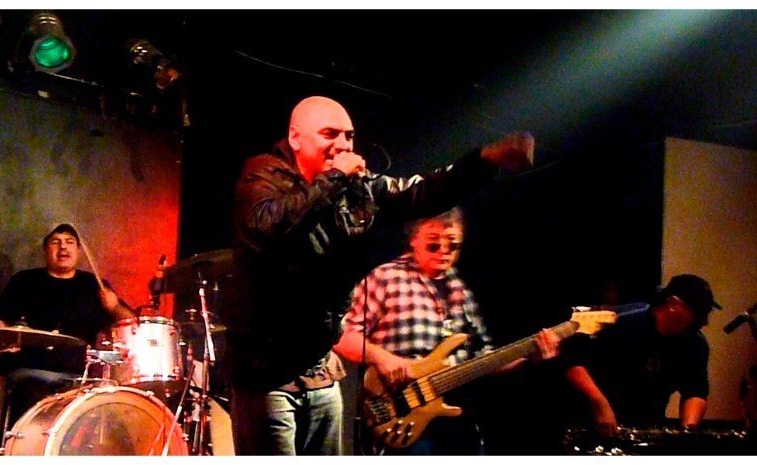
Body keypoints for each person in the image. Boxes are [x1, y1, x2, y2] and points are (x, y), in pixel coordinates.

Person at [226, 95, 536, 455]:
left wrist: (484, 161)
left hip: (321, 371)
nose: (343, 145)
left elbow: (421, 193)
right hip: (266, 375)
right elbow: (266, 227)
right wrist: (335, 177)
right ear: (295, 137)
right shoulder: (264, 174)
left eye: (349, 136)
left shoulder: (355, 187)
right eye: (330, 134)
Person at [333, 208, 559, 455]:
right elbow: (340, 335)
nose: (444, 251)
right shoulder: (385, 277)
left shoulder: (459, 288)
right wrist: (383, 358)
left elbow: (482, 359)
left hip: (455, 419)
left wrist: (530, 356)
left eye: (453, 245)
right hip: (400, 416)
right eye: (433, 244)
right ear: (413, 239)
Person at [0, 223, 135, 424]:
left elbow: (130, 324)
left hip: (78, 378)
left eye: (70, 242)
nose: (63, 247)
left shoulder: (93, 284)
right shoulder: (24, 281)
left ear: (78, 250)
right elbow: (0, 325)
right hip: (31, 374)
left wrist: (114, 306)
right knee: (31, 402)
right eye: (55, 242)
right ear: (46, 249)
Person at [563, 273, 721, 437]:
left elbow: (695, 392)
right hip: (591, 422)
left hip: (647, 427)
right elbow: (572, 360)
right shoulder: (619, 321)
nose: (704, 321)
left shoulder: (695, 343)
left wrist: (687, 431)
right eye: (699, 312)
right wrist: (599, 403)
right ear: (673, 304)